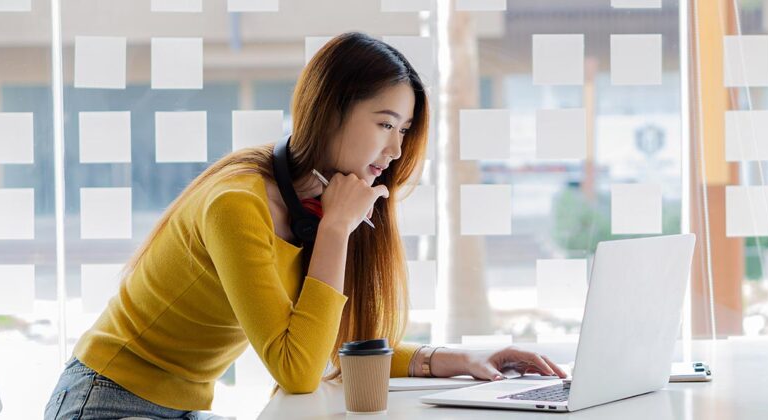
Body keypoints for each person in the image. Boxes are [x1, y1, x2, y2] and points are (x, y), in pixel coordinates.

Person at [44, 31, 566, 419]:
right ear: (329, 112)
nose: (396, 150)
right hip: (107, 401)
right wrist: (338, 229)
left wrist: (459, 358)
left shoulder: (315, 202)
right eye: (384, 124)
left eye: (404, 130)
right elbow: (296, 371)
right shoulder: (238, 204)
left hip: (177, 407)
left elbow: (338, 348)